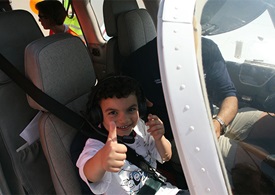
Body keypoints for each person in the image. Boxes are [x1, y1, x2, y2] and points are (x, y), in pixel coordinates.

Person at [76, 76, 187, 195]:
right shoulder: (97, 146)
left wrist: (159, 138)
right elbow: (90, 174)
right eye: (113, 113)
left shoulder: (140, 126)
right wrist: (101, 160)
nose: (124, 119)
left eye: (131, 110)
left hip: (164, 190)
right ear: (98, 115)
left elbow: (165, 156)